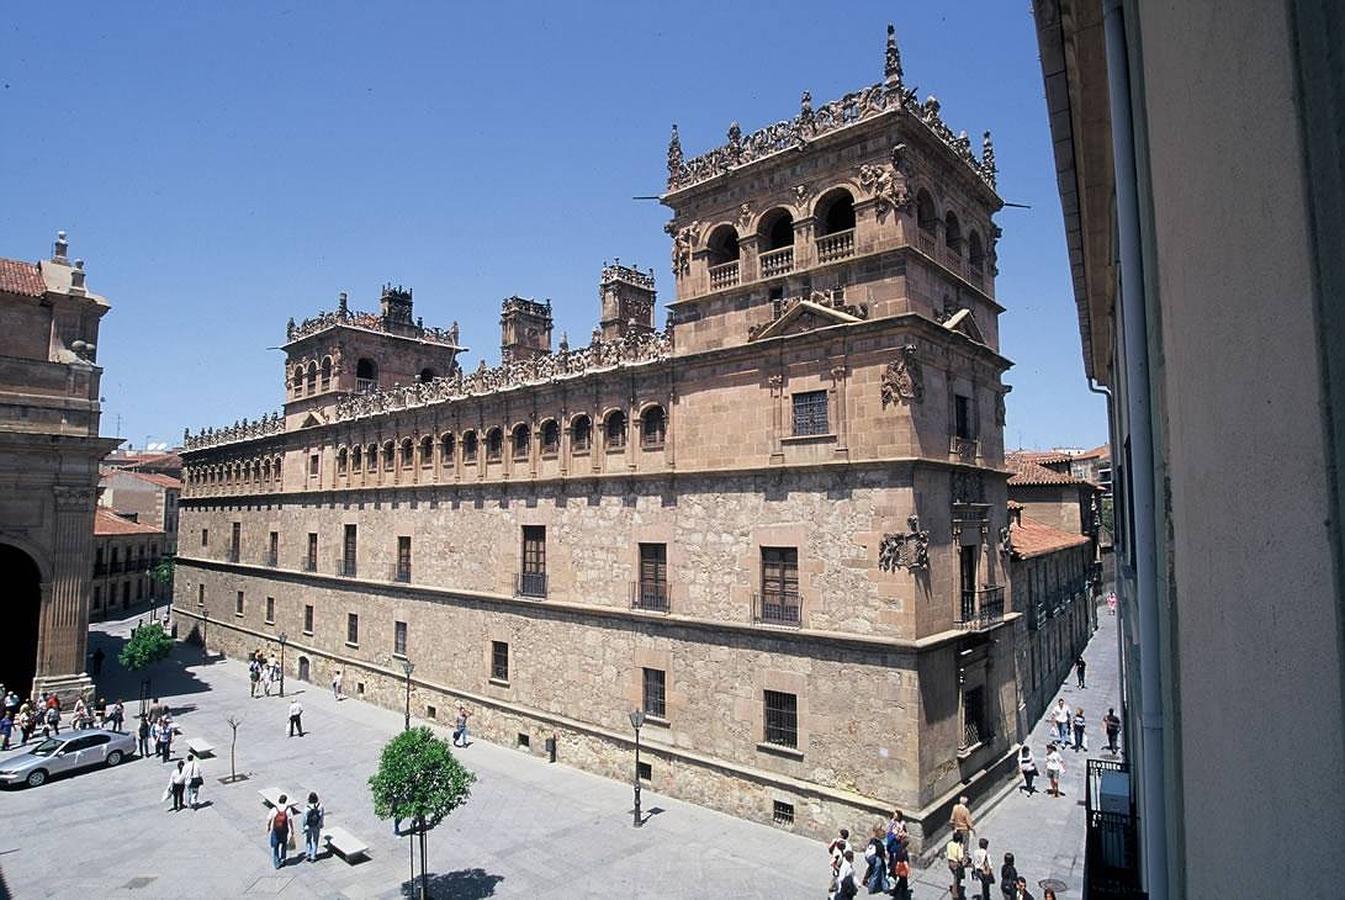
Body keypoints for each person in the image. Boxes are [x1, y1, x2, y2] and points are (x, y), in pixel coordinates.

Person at [265, 795, 297, 869]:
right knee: (284, 845)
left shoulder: (274, 809)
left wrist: (268, 827)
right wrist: (292, 830)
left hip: (276, 831)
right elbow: (290, 821)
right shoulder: (288, 810)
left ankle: (276, 863)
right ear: (285, 801)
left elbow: (269, 819)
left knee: (275, 847)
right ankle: (283, 859)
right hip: (284, 830)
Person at [862, 824, 889, 894]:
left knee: (880, 872)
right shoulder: (880, 844)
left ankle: (885, 888)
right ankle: (872, 889)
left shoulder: (873, 839)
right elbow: (882, 854)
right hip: (877, 859)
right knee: (876, 874)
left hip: (871, 858)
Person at [827, 828, 850, 899]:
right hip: (844, 863)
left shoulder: (836, 841)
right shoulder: (848, 845)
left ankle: (833, 893)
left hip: (838, 862)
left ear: (841, 835)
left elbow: (829, 849)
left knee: (836, 877)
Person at [302, 791, 325, 862]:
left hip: (309, 826)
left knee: (308, 839)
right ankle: (313, 856)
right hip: (317, 825)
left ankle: (308, 853)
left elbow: (305, 819)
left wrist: (304, 826)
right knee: (315, 840)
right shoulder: (320, 806)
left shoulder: (307, 808)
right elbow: (321, 816)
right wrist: (321, 824)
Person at [946, 832, 967, 900]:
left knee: (956, 877)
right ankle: (955, 895)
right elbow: (960, 858)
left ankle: (955, 891)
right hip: (956, 864)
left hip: (950, 862)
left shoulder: (949, 844)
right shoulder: (959, 846)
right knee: (956, 879)